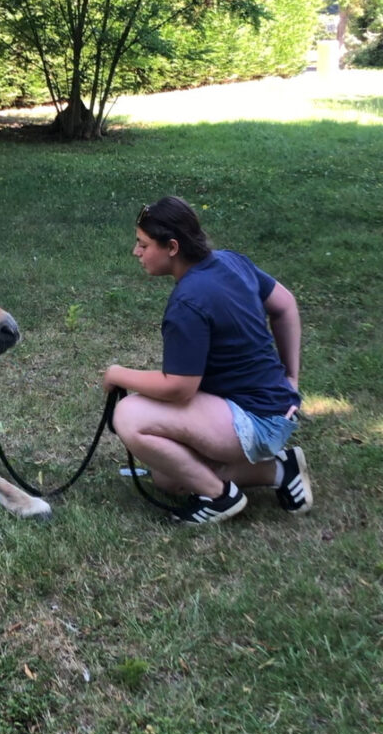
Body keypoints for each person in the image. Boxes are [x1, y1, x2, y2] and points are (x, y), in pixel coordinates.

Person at [103, 196, 312, 526]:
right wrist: (292, 379)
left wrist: (118, 373)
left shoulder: (188, 302)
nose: (136, 252)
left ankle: (219, 496)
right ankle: (279, 469)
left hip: (255, 419)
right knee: (167, 478)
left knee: (128, 415)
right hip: (271, 408)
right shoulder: (231, 261)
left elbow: (179, 388)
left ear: (172, 246)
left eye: (143, 244)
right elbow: (285, 304)